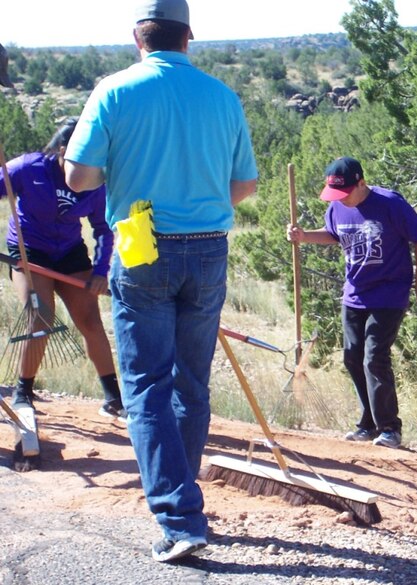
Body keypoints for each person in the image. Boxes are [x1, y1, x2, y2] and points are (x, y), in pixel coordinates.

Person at [63, 0, 258, 563]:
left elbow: (78, 177)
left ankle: (179, 517)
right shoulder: (222, 96)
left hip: (141, 243)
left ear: (137, 37)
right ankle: (183, 496)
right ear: (188, 37)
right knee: (190, 381)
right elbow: (243, 186)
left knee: (146, 384)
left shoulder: (115, 90)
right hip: (207, 247)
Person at [286, 157, 417, 449]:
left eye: (344, 193)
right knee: (352, 357)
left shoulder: (390, 204)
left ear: (362, 183)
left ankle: (390, 427)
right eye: (334, 195)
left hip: (389, 291)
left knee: (374, 356)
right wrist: (303, 237)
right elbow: (334, 235)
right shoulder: (337, 206)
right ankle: (368, 423)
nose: (339, 200)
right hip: (355, 293)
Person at [0, 118, 125, 420]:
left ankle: (113, 399)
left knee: (91, 320)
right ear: (62, 150)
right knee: (41, 314)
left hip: (69, 253)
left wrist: (99, 271)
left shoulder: (95, 183)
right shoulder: (27, 169)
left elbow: (103, 229)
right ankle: (23, 393)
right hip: (29, 252)